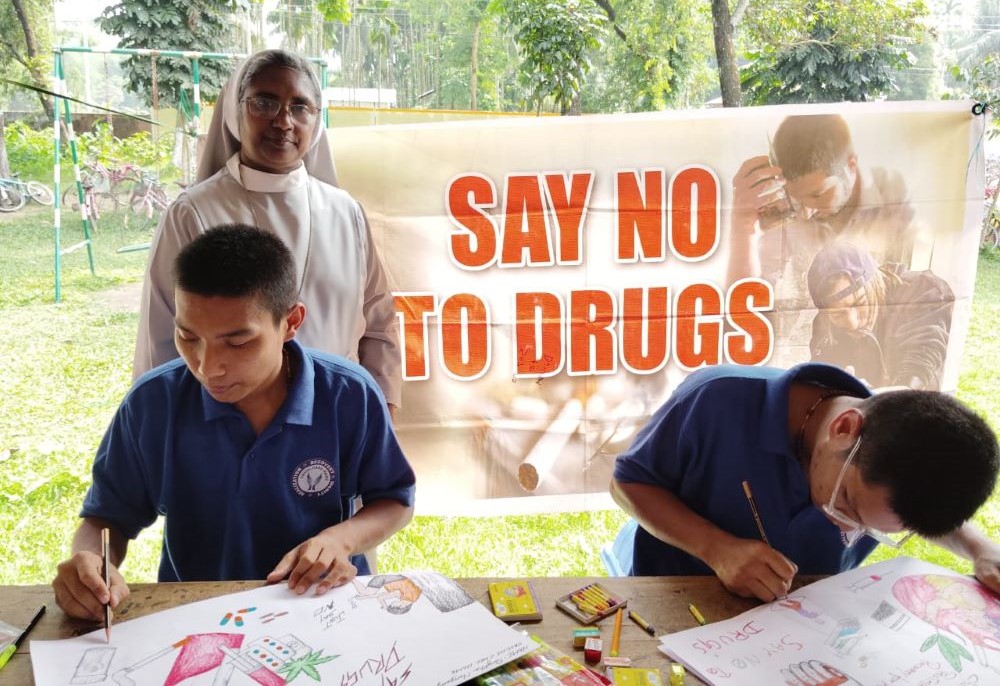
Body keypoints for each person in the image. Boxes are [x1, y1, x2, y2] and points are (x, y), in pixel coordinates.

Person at [53, 225, 416, 622]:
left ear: (291, 322)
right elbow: (106, 517)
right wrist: (91, 562)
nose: (208, 368)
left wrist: (338, 540)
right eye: (187, 337)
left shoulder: (348, 395)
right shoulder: (153, 404)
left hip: (319, 606)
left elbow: (394, 500)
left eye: (238, 342)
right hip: (195, 613)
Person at [134, 48, 402, 416]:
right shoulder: (194, 213)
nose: (283, 122)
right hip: (228, 424)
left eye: (300, 107)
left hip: (337, 417)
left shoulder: (346, 212)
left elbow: (379, 325)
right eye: (265, 103)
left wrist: (380, 415)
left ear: (317, 120)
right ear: (234, 109)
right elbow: (162, 338)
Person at [610, 362, 1000, 602]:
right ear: (844, 429)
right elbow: (627, 483)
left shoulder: (893, 459)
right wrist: (717, 549)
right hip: (675, 594)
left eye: (867, 528)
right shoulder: (718, 399)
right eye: (844, 501)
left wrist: (980, 547)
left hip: (800, 620)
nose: (843, 527)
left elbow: (909, 507)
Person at [726, 114, 927, 365]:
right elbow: (745, 303)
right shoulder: (783, 218)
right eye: (796, 198)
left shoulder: (892, 205)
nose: (806, 211)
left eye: (818, 194)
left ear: (851, 167)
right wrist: (742, 227)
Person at [807, 241, 954, 390]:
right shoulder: (825, 324)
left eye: (860, 303)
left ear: (875, 282)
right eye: (838, 315)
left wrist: (901, 391)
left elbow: (923, 352)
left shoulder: (922, 292)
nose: (852, 323)